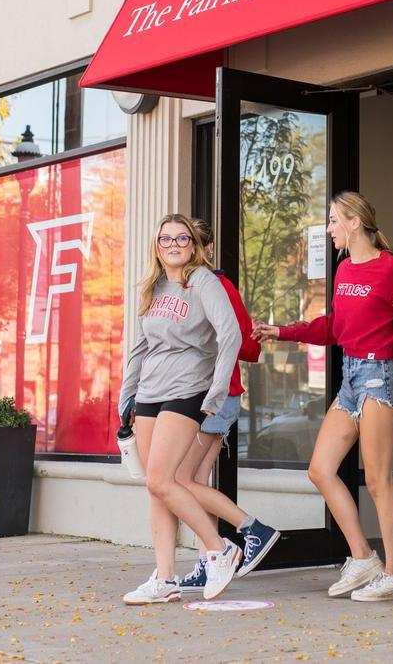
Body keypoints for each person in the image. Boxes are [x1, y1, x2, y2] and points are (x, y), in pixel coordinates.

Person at [252, 192, 393, 602]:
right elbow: (335, 327)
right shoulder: (343, 269)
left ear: (354, 222)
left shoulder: (392, 269)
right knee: (320, 469)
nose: (330, 228)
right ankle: (363, 558)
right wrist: (282, 331)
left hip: (381, 373)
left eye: (334, 220)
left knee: (376, 479)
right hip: (351, 375)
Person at [118, 213, 243, 605]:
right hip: (150, 392)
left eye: (181, 238)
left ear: (193, 244)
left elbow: (231, 334)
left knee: (161, 478)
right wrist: (127, 396)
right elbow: (141, 346)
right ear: (157, 246)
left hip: (188, 388)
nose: (173, 245)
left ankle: (218, 549)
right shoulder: (153, 286)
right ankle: (166, 578)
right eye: (166, 239)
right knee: (157, 489)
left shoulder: (204, 281)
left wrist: (218, 390)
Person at [174, 219, 280, 593]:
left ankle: (252, 529)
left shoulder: (216, 285)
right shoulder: (184, 288)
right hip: (203, 397)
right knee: (192, 482)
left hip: (215, 397)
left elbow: (247, 345)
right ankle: (209, 558)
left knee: (179, 480)